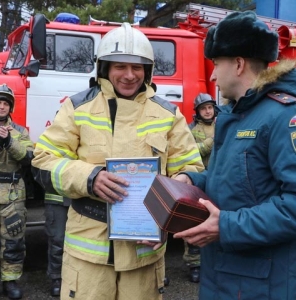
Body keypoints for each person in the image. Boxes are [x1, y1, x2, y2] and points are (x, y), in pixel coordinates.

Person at [31, 23, 204, 300]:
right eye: (119, 66)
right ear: (104, 68)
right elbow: (43, 160)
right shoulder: (77, 108)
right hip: (88, 258)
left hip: (144, 253)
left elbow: (191, 169)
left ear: (147, 71)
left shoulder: (167, 114)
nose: (129, 75)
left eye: (137, 67)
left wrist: (168, 209)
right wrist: (90, 178)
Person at [174, 10, 296, 300]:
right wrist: (191, 180)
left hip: (263, 284)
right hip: (225, 275)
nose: (213, 74)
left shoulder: (284, 115)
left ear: (239, 64)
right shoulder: (235, 115)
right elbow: (237, 180)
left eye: (216, 64)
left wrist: (226, 226)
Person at [0, 84, 34, 299]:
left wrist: (9, 142)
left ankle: (10, 282)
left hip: (13, 195)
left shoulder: (20, 132)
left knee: (13, 241)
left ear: (10, 107)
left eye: (5, 103)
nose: (1, 106)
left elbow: (28, 157)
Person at [183, 93, 217, 283]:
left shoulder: (223, 124)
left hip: (216, 180)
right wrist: (211, 142)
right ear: (197, 111)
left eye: (210, 107)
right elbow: (192, 151)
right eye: (204, 108)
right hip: (198, 181)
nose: (207, 111)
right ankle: (194, 264)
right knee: (193, 222)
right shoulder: (190, 129)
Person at [43, 193, 70, 297]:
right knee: (57, 240)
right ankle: (56, 278)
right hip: (57, 198)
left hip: (84, 196)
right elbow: (41, 176)